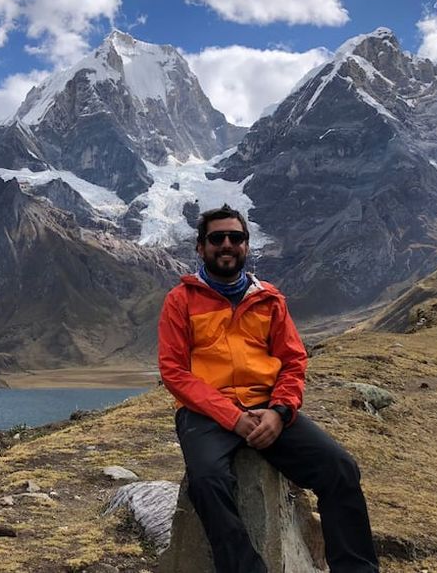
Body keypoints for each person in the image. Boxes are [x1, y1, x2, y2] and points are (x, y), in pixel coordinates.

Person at [158, 204, 379, 573]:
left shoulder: (269, 299)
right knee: (208, 481)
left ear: (246, 246)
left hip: (268, 407)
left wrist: (281, 411)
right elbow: (174, 372)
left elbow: (293, 362)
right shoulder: (180, 301)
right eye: (217, 238)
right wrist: (233, 418)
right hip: (206, 413)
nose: (227, 244)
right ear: (201, 247)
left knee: (339, 468)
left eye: (236, 238)